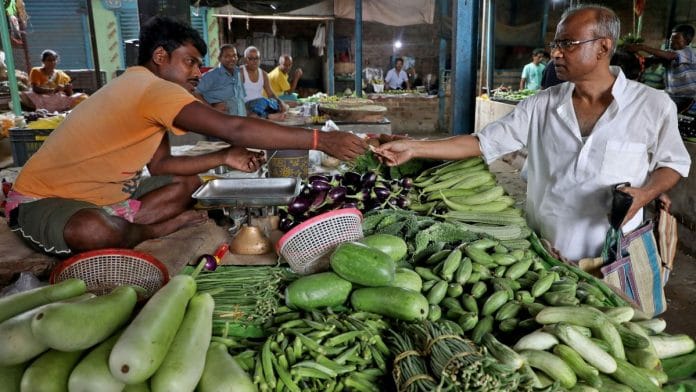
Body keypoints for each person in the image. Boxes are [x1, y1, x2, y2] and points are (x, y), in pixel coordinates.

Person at [6, 16, 367, 256]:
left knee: (187, 182)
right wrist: (321, 140)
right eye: (190, 62)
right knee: (94, 232)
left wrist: (225, 156)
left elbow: (161, 163)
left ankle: (127, 224)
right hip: (44, 199)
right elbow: (235, 127)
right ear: (160, 56)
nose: (197, 72)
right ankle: (146, 231)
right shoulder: (151, 88)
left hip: (108, 198)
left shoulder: (143, 87)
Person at [375, 5, 690, 262]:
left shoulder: (652, 105)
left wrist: (646, 194)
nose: (555, 53)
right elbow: (481, 143)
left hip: (616, 253)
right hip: (546, 250)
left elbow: (673, 163)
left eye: (568, 43)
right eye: (556, 44)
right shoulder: (541, 105)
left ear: (603, 47)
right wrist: (414, 147)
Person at [626, 24, 696, 113]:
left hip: (688, 99)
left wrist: (641, 47)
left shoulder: (689, 52)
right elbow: (650, 60)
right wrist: (636, 56)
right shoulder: (668, 54)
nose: (671, 40)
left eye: (676, 38)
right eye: (671, 38)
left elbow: (670, 56)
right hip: (673, 96)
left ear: (687, 40)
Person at [19, 50, 88, 112]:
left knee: (83, 97)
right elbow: (35, 89)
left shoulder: (62, 75)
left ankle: (57, 108)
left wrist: (68, 89)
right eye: (49, 60)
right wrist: (53, 90)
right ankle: (54, 108)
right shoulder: (36, 71)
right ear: (43, 61)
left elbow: (69, 94)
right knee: (24, 96)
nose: (52, 62)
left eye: (54, 60)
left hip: (57, 98)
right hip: (41, 97)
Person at [194, 44, 246, 116]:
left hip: (240, 118)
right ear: (219, 58)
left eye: (234, 55)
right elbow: (195, 93)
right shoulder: (212, 75)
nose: (232, 59)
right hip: (221, 121)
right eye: (227, 56)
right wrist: (211, 109)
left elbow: (240, 98)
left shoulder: (239, 73)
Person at [241, 46, 286, 120]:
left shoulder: (263, 74)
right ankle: (269, 116)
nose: (254, 61)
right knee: (260, 104)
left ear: (260, 59)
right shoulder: (241, 72)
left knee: (276, 104)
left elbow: (270, 94)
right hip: (247, 105)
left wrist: (280, 102)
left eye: (257, 58)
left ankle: (267, 115)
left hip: (261, 104)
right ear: (245, 59)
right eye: (251, 58)